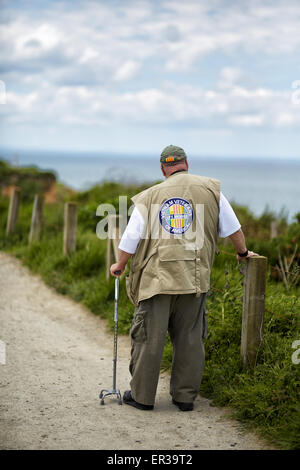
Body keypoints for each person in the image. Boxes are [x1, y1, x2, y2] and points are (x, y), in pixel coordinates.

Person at [110, 145, 258, 411]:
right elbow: (233, 228)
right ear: (186, 163)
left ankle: (142, 398)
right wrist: (243, 252)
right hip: (194, 278)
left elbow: (131, 237)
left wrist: (119, 264)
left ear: (163, 169)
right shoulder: (212, 190)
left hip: (157, 280)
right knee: (190, 338)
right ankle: (185, 398)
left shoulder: (149, 196)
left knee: (149, 339)